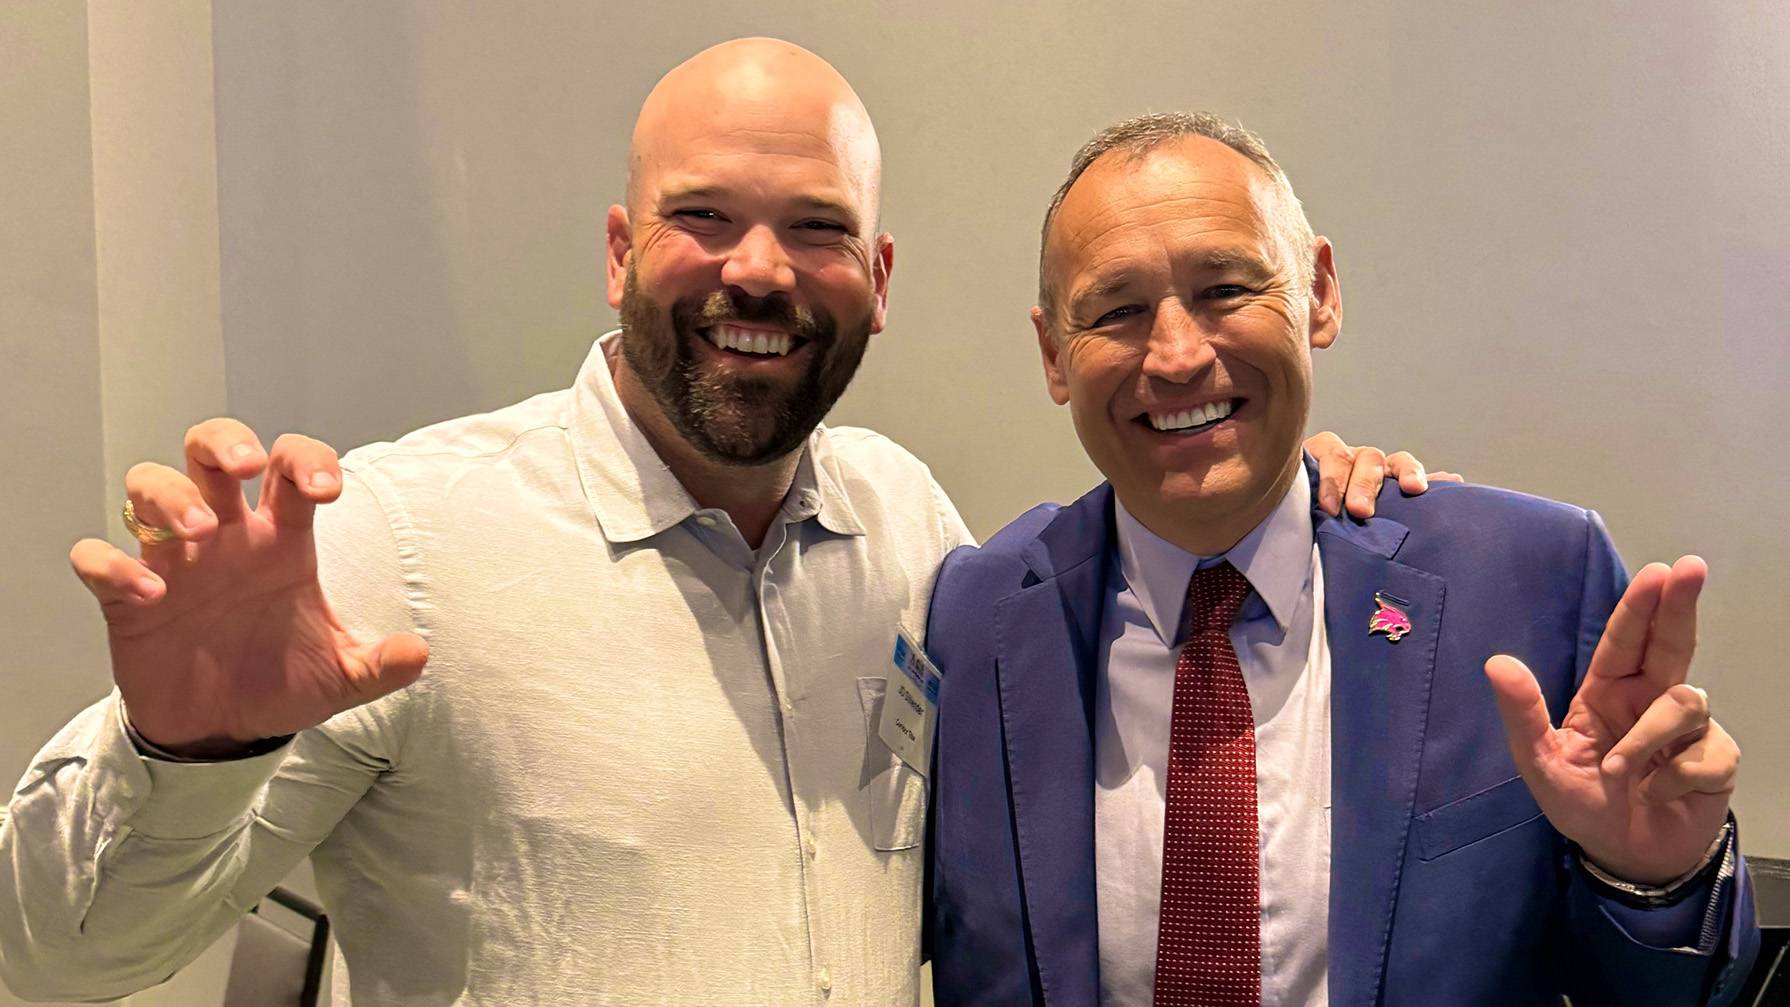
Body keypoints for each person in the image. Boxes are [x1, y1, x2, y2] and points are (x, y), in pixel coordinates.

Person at [0, 44, 1432, 1005]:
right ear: (623, 248)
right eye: (702, 217)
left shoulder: (908, 527)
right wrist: (186, 756)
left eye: (814, 227)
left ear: (875, 275)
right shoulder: (398, 539)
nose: (758, 271)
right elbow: (70, 948)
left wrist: (1283, 498)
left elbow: (1135, 583)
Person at [925, 112, 1761, 1006]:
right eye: (1118, 311)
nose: (1176, 355)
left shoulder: (1533, 583)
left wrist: (1653, 884)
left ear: (1319, 293)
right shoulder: (971, 622)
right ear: (1055, 353)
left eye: (1226, 288)